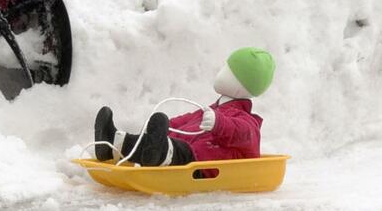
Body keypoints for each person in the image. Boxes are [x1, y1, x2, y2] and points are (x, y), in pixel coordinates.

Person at [94, 47, 275, 167]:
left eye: (229, 71)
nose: (221, 73)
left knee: (174, 149)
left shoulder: (247, 121)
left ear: (241, 83)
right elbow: (189, 119)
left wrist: (219, 123)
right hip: (183, 146)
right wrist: (168, 125)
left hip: (199, 160)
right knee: (152, 143)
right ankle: (111, 142)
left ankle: (158, 153)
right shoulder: (215, 108)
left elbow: (243, 132)